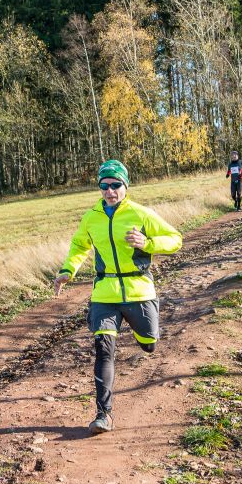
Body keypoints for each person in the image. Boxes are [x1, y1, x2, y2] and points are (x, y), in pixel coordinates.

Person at [53, 160, 182, 434]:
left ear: (125, 186)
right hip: (105, 292)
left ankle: (145, 338)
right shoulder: (91, 217)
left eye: (115, 185)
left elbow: (175, 239)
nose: (109, 191)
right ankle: (104, 414)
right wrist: (67, 271)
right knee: (103, 349)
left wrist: (148, 243)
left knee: (149, 343)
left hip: (139, 290)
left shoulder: (141, 213)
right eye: (104, 186)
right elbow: (79, 245)